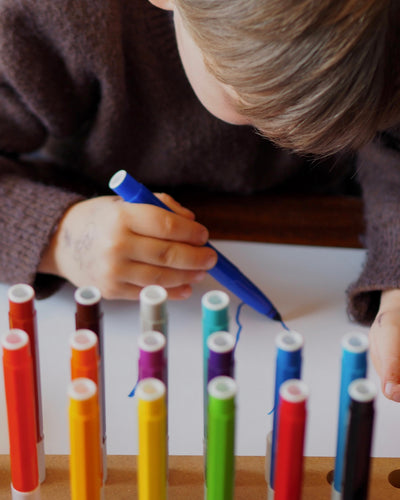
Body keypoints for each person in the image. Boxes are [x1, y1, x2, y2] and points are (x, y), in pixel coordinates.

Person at [0, 0, 399, 402]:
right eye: (254, 103)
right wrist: (63, 237)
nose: (288, 136)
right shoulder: (57, 14)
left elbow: (391, 146)